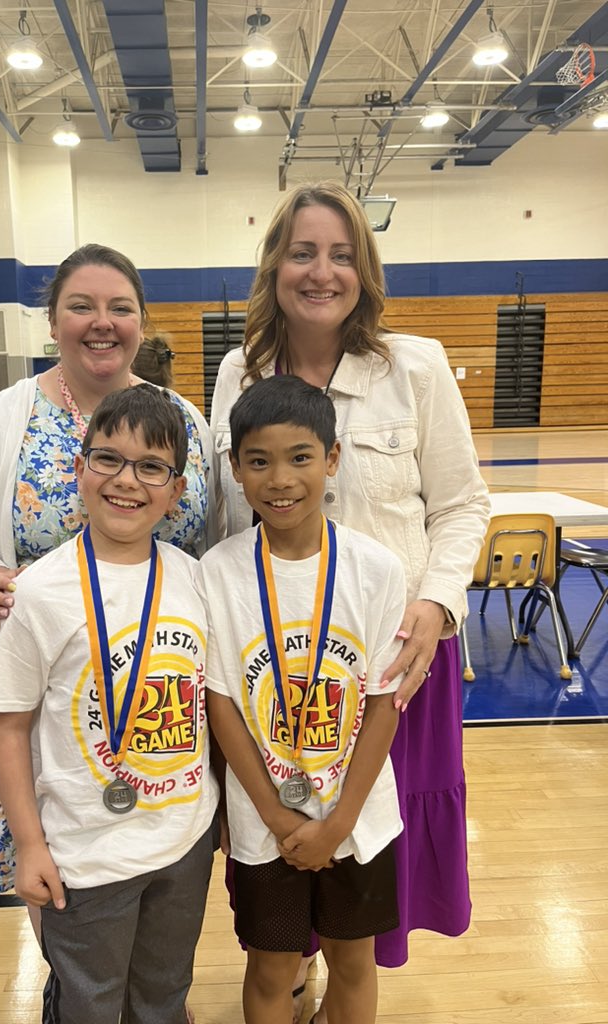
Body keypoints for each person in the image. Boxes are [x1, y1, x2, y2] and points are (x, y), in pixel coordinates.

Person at [210, 182, 491, 993]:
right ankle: (290, 963)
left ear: (364, 270)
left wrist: (436, 605)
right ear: (275, 266)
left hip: (396, 660)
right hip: (273, 666)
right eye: (302, 252)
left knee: (369, 835)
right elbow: (228, 512)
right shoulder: (238, 371)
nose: (321, 271)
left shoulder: (417, 365)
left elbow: (463, 504)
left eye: (340, 255)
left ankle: (352, 976)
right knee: (281, 828)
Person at [0, 242, 220, 898]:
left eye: (120, 308)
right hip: (37, 684)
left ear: (141, 323)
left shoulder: (186, 422)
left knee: (166, 848)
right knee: (51, 867)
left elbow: (212, 543)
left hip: (159, 684)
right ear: (53, 321)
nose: (102, 322)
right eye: (82, 306)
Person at [0, 384, 218, 1023]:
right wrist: (29, 845)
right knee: (89, 1005)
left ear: (176, 489)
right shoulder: (41, 590)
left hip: (184, 839)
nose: (127, 480)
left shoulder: (193, 577)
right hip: (85, 854)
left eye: (152, 467)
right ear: (79, 468)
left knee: (165, 996)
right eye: (108, 459)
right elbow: (7, 728)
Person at [200, 375, 406, 1024]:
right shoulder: (217, 571)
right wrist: (279, 818)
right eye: (259, 461)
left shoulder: (377, 569)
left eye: (300, 457)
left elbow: (384, 702)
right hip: (265, 820)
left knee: (353, 961)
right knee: (270, 966)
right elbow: (222, 705)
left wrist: (339, 823)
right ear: (235, 469)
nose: (280, 479)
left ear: (333, 458)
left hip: (358, 814)